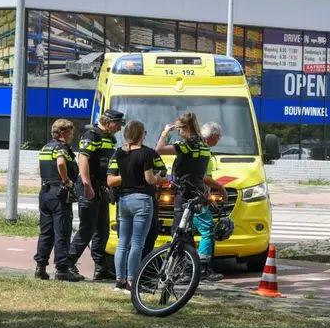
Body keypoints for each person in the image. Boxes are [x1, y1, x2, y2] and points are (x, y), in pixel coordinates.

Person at [155, 113, 222, 281]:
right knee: (195, 230)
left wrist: (164, 134)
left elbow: (159, 150)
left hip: (184, 194)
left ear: (187, 128)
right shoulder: (204, 146)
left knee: (180, 232)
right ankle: (197, 268)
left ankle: (185, 270)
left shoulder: (187, 145)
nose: (178, 132)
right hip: (199, 194)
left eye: (179, 129)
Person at [106, 120, 167, 292]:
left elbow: (112, 179)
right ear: (142, 134)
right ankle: (132, 281)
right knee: (137, 244)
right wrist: (159, 179)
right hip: (142, 200)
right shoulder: (146, 153)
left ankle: (120, 281)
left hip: (124, 200)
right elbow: (150, 179)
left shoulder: (119, 153)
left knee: (122, 242)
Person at [67, 109, 125, 281]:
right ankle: (68, 263)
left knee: (102, 230)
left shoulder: (109, 138)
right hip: (90, 186)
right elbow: (83, 159)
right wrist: (86, 184)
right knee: (87, 229)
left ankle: (100, 268)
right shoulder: (92, 135)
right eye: (117, 124)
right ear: (107, 122)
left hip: (102, 188)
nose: (119, 129)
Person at [33, 119, 83, 282]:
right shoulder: (62, 148)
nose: (72, 136)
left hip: (45, 193)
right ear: (63, 133)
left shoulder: (45, 148)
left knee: (45, 232)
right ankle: (62, 270)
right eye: (71, 133)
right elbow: (61, 162)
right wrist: (67, 181)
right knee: (62, 231)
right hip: (59, 195)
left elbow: (39, 168)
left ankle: (40, 267)